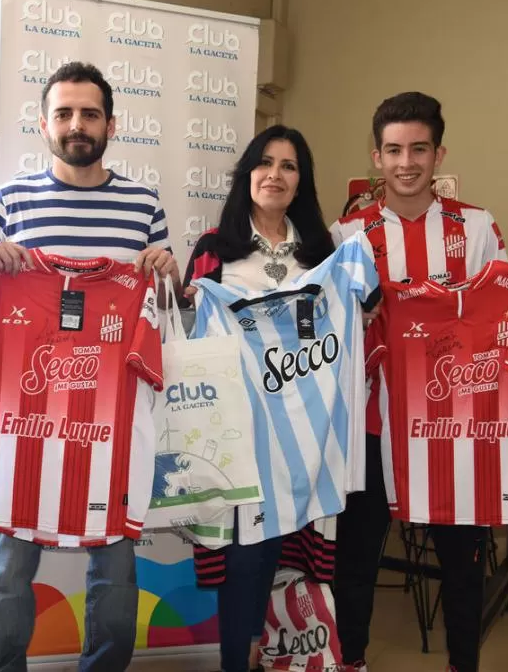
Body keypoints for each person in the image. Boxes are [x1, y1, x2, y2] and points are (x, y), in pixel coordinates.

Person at [330, 91, 508, 672]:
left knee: (461, 564)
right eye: (395, 150)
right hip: (373, 426)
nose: (407, 163)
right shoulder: (346, 234)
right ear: (376, 157)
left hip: (455, 429)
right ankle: (350, 660)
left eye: (419, 149)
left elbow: (504, 308)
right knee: (354, 561)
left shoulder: (476, 227)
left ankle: (462, 664)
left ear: (439, 153)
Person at [0, 61, 176, 672]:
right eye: (64, 113)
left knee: (114, 568)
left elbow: (159, 305)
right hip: (27, 416)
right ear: (44, 123)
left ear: (111, 123)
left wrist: (167, 274)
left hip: (111, 418)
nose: (76, 125)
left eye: (89, 114)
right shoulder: (8, 201)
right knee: (9, 567)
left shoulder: (142, 206)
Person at [182, 125, 337, 672]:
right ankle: (236, 659)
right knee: (244, 557)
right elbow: (187, 334)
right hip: (236, 434)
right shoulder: (214, 249)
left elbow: (341, 326)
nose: (275, 175)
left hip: (301, 435)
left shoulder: (322, 253)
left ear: (302, 181)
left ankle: (254, 652)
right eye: (265, 163)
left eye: (289, 166)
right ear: (248, 173)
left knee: (277, 554)